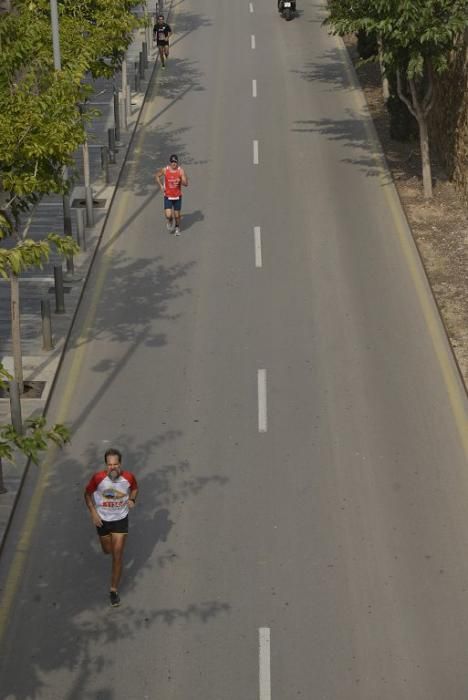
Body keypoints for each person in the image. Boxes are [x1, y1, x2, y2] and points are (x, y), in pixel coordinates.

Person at [84, 448, 138, 607]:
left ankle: (113, 590)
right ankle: (115, 561)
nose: (112, 467)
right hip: (103, 520)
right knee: (107, 550)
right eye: (109, 464)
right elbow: (87, 494)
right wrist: (93, 512)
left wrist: (132, 500)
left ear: (120, 464)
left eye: (115, 464)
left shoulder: (128, 477)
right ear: (106, 465)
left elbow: (134, 488)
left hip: (121, 519)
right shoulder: (98, 478)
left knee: (117, 555)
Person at [155, 154, 188, 235]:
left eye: (175, 162)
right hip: (168, 196)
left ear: (177, 163)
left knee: (177, 216)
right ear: (170, 162)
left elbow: (186, 183)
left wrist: (180, 180)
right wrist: (161, 186)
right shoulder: (165, 170)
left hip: (177, 196)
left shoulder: (180, 171)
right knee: (168, 215)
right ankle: (170, 221)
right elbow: (157, 176)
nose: (174, 164)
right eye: (172, 162)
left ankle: (177, 228)